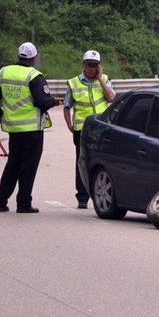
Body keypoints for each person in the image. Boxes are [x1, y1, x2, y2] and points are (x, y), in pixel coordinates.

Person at [0, 42, 63, 213]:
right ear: (34, 58)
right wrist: (54, 101)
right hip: (32, 130)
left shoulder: (4, 72)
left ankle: (0, 202)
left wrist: (0, 115)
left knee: (12, 165)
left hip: (13, 129)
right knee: (28, 167)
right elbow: (42, 101)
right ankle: (24, 204)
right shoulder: (34, 75)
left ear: (19, 55)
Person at [63, 50, 114, 209]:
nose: (92, 68)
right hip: (82, 129)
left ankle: (105, 195)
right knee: (82, 163)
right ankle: (82, 198)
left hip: (102, 128)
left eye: (95, 65)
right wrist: (69, 124)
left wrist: (100, 80)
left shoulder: (104, 79)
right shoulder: (74, 83)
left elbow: (111, 98)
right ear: (84, 65)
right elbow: (67, 106)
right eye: (89, 65)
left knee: (105, 163)